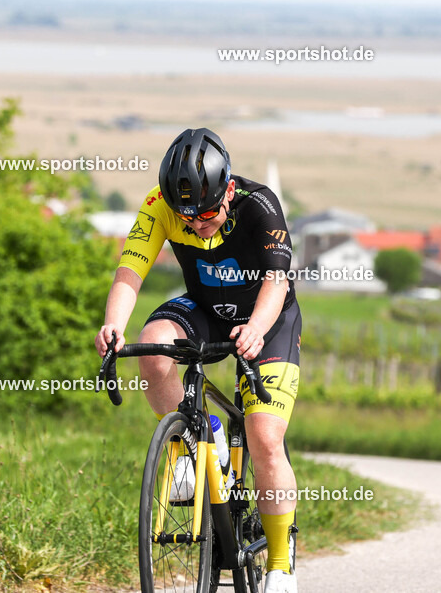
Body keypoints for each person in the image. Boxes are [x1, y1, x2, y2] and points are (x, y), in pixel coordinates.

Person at [96, 128, 300, 593]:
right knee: (153, 347)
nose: (196, 226)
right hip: (207, 308)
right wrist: (112, 325)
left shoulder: (258, 203)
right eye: (186, 219)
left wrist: (256, 328)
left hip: (267, 318)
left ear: (228, 189)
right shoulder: (160, 205)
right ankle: (194, 445)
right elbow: (131, 269)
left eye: (207, 214)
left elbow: (276, 279)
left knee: (264, 435)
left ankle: (281, 566)